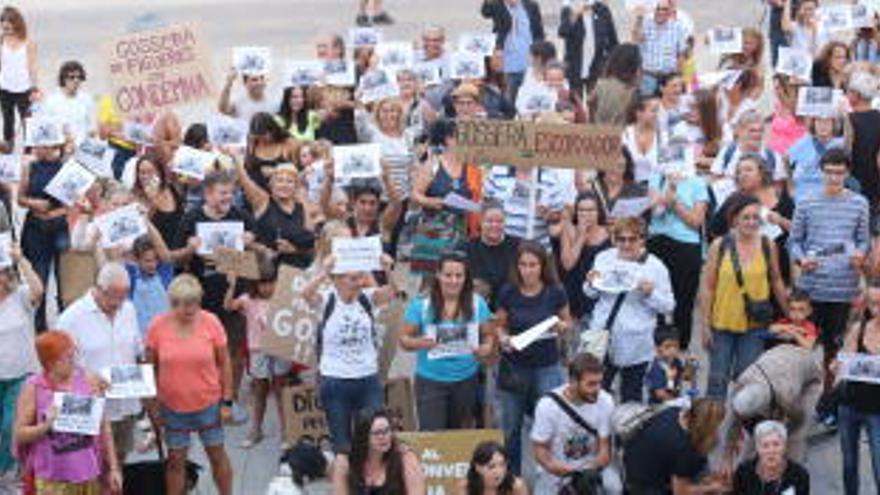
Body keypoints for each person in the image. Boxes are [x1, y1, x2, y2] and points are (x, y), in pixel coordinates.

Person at [171, 170, 258, 422]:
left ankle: (230, 401)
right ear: (207, 194)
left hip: (234, 294)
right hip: (202, 296)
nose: (228, 197)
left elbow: (256, 252)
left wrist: (250, 240)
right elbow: (178, 260)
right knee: (203, 350)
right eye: (223, 193)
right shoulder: (191, 218)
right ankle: (204, 398)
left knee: (235, 350)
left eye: (231, 193)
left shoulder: (241, 217)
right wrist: (190, 248)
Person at [789, 148, 870, 414]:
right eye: (830, 172)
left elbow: (863, 240)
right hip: (811, 288)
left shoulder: (859, 203)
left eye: (839, 172)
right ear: (821, 172)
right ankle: (795, 401)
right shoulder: (807, 202)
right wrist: (801, 259)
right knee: (802, 347)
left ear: (847, 173)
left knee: (833, 353)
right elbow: (794, 241)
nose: (834, 177)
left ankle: (826, 404)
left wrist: (860, 253)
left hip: (843, 290)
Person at [145, 275, 234, 495]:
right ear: (172, 302)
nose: (189, 309)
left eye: (194, 302)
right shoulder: (157, 326)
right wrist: (152, 406)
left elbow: (225, 363)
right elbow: (148, 368)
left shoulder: (211, 321)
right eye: (183, 304)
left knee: (217, 455)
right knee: (176, 462)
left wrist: (227, 402)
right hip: (172, 407)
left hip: (208, 404)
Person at [301, 252, 396, 454]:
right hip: (335, 380)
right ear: (337, 280)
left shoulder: (366, 298)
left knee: (375, 434)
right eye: (353, 278)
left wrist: (388, 270)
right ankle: (345, 481)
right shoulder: (327, 301)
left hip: (368, 378)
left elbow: (391, 293)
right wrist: (324, 272)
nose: (360, 282)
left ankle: (371, 479)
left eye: (361, 277)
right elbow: (306, 294)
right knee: (342, 441)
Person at [495, 241, 572, 474]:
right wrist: (503, 338)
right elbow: (499, 326)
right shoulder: (508, 291)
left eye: (533, 265)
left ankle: (549, 478)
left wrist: (561, 326)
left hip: (547, 366)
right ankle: (513, 479)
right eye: (523, 265)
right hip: (515, 367)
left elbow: (568, 322)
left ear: (542, 266)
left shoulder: (555, 291)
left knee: (551, 425)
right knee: (511, 428)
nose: (527, 270)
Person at [702, 193, 788, 399]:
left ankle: (739, 429)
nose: (751, 222)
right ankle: (710, 428)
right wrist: (705, 325)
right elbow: (708, 287)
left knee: (748, 382)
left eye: (755, 218)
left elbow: (776, 280)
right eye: (746, 217)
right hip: (722, 322)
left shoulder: (768, 245)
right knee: (717, 381)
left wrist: (789, 315)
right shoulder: (719, 245)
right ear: (734, 219)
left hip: (754, 324)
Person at [14, 331, 121, 494]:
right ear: (50, 363)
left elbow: (104, 427)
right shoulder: (34, 386)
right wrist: (46, 426)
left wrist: (114, 468)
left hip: (90, 474)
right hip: (52, 480)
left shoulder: (88, 379)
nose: (74, 362)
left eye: (74, 355)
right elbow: (19, 434)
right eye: (68, 357)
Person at [56, 262, 141, 466]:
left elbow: (136, 348)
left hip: (124, 404)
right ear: (99, 290)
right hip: (90, 409)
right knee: (90, 464)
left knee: (119, 461)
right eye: (114, 299)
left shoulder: (128, 309)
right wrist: (84, 378)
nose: (119, 305)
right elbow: (55, 370)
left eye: (123, 297)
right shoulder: (71, 319)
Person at [399, 251, 495, 431]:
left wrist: (486, 347)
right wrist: (421, 343)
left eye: (459, 276)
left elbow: (488, 335)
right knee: (433, 438)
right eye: (448, 275)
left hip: (466, 380)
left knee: (458, 436)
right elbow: (403, 340)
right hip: (430, 381)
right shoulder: (421, 304)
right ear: (438, 275)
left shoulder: (477, 303)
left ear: (466, 277)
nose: (453, 281)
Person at [585, 216, 675, 403]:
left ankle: (626, 431)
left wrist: (651, 293)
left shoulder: (656, 266)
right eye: (621, 239)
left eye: (632, 239)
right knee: (595, 395)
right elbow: (590, 293)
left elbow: (668, 305)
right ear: (614, 239)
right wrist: (590, 283)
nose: (626, 244)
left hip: (637, 344)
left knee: (632, 398)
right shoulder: (603, 258)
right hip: (603, 338)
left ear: (642, 239)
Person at [531, 353, 622, 494]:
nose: (597, 389)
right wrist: (570, 472)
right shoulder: (547, 405)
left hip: (592, 467)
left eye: (599, 382)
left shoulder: (605, 400)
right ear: (573, 381)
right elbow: (540, 451)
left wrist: (589, 471)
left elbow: (605, 449)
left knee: (614, 488)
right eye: (591, 384)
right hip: (556, 470)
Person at [647, 149, 709, 350]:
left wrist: (674, 202)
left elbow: (696, 221)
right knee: (653, 300)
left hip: (685, 246)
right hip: (656, 242)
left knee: (683, 302)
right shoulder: (655, 178)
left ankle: (680, 351)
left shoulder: (697, 183)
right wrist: (661, 199)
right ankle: (655, 351)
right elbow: (653, 212)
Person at [224, 260, 289, 449]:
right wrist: (231, 285)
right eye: (263, 283)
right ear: (255, 284)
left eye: (271, 282)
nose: (267, 287)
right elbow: (228, 306)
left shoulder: (283, 298)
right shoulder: (247, 300)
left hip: (279, 347)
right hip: (258, 350)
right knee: (260, 389)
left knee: (279, 389)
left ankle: (286, 431)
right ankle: (256, 429)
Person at [722, 344, 823, 464]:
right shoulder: (741, 384)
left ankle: (791, 473)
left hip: (809, 379)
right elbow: (734, 419)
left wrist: (777, 441)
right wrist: (727, 458)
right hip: (779, 358)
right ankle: (745, 471)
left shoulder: (786, 395)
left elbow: (798, 420)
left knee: (792, 439)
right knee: (756, 436)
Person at [410, 118, 481, 275]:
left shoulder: (471, 166)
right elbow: (415, 194)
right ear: (448, 139)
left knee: (455, 277)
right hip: (433, 227)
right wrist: (430, 201)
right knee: (428, 278)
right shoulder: (433, 164)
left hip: (461, 231)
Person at [18, 131, 69, 331]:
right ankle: (40, 328)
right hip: (36, 228)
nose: (37, 149)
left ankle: (66, 323)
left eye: (42, 145)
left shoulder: (65, 167)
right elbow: (20, 199)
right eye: (36, 145)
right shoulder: (29, 167)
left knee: (64, 277)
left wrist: (55, 214)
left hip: (59, 228)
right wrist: (34, 203)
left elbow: (71, 202)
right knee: (40, 278)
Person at [833, 282, 880, 495]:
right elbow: (844, 362)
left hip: (877, 411)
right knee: (849, 465)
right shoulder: (858, 328)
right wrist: (836, 367)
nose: (877, 309)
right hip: (849, 406)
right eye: (873, 304)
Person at [0, 243, 41, 483]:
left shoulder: (21, 297)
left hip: (20, 374)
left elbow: (38, 289)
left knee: (10, 425)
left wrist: (21, 259)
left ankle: (11, 472)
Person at [623, 398, 727, 493]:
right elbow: (681, 492)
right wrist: (713, 487)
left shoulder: (674, 411)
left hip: (632, 467)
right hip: (643, 487)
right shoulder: (685, 449)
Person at [237, 162, 316, 269]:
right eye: (280, 180)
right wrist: (235, 158)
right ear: (272, 184)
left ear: (295, 186)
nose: (284, 185)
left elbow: (312, 242)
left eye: (290, 181)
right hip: (269, 270)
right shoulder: (263, 201)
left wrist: (293, 249)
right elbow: (245, 181)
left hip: (299, 270)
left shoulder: (302, 206)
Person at [331, 409, 425, 494]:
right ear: (363, 436)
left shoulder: (405, 456)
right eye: (377, 433)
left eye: (387, 430)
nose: (383, 437)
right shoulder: (344, 460)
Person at [558, 192, 610, 328]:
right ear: (576, 212)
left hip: (600, 296)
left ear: (598, 212)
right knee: (577, 345)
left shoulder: (609, 233)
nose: (586, 214)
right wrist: (581, 236)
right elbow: (567, 264)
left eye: (591, 210)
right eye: (582, 210)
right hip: (575, 295)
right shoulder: (569, 231)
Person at [480, 0, 545, 101]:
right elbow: (485, 12)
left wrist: (540, 58)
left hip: (528, 62)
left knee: (528, 99)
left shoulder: (531, 6)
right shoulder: (498, 5)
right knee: (508, 100)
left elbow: (539, 33)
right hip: (507, 63)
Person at [557, 0, 619, 98]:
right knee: (576, 106)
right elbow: (562, 32)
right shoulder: (568, 9)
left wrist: (610, 65)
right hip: (575, 69)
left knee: (596, 104)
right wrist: (575, 15)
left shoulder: (602, 9)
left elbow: (613, 40)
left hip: (597, 68)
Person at [464, 202, 520, 310]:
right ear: (480, 222)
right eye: (489, 221)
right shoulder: (467, 248)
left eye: (499, 221)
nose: (494, 225)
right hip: (476, 307)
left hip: (510, 306)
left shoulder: (518, 246)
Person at [733, 420, 810, 494]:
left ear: (784, 447)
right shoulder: (743, 472)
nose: (771, 451)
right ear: (757, 448)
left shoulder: (799, 475)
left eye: (776, 444)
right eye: (765, 446)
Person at [631, 0, 689, 96]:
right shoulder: (645, 23)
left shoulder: (678, 27)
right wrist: (639, 18)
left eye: (664, 9)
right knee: (647, 106)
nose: (661, 12)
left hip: (669, 78)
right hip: (648, 77)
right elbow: (635, 39)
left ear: (670, 11)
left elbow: (681, 54)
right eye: (658, 8)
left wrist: (680, 77)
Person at [0, 6, 37, 149]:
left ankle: (30, 146)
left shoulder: (28, 43)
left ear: (17, 23)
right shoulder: (1, 42)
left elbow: (32, 67)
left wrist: (34, 88)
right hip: (4, 87)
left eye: (9, 20)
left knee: (27, 120)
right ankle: (8, 144)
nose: (5, 24)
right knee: (7, 118)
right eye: (3, 21)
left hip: (24, 88)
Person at [787, 114, 845, 204]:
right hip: (803, 199)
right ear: (813, 123)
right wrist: (790, 186)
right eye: (819, 121)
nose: (823, 125)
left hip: (830, 200)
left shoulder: (842, 144)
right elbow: (786, 159)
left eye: (827, 121)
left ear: (834, 124)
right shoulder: (802, 143)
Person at [844, 71, 880, 210]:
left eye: (849, 91)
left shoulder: (850, 118)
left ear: (856, 95)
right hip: (875, 180)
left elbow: (847, 150)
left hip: (856, 177)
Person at [39, 61, 94, 143]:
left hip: (84, 147)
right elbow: (45, 129)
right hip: (60, 147)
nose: (76, 80)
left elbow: (91, 127)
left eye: (79, 77)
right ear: (64, 79)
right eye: (72, 77)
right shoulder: (51, 101)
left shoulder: (86, 99)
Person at [588, 43, 641, 126]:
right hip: (621, 134)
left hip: (599, 132)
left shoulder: (601, 84)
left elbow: (591, 104)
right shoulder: (632, 92)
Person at [460, 441, 527, 495]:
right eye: (491, 467)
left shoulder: (516, 487)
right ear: (478, 467)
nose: (499, 472)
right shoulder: (465, 487)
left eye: (502, 465)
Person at [621, 96, 660, 183]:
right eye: (653, 111)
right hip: (631, 190)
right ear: (639, 113)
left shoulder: (663, 135)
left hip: (658, 189)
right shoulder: (624, 135)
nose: (657, 114)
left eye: (658, 111)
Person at [645, 326, 686, 404]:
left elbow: (685, 377)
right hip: (658, 407)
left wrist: (690, 366)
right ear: (657, 348)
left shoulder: (676, 361)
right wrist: (676, 401)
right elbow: (660, 393)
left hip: (673, 400)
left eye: (675, 346)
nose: (672, 350)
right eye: (668, 346)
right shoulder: (657, 368)